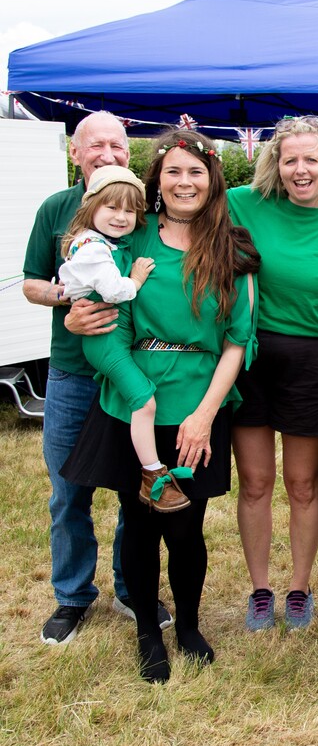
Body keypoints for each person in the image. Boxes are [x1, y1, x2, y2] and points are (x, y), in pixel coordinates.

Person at [61, 128, 259, 683]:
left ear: (212, 179)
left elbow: (238, 340)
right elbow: (100, 317)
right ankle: (148, 629)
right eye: (173, 171)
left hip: (196, 402)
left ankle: (190, 623)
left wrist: (204, 417)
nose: (184, 181)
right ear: (157, 181)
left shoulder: (233, 247)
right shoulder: (129, 238)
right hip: (134, 403)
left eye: (195, 171)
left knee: (187, 525)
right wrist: (131, 388)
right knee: (139, 523)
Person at [23, 110, 172, 645]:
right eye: (96, 146)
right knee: (69, 491)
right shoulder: (57, 210)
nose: (108, 154)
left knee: (134, 493)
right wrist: (69, 301)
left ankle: (133, 589)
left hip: (135, 369)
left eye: (118, 145)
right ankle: (72, 597)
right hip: (73, 373)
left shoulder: (145, 213)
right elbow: (32, 283)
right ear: (75, 153)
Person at [227, 116, 318, 631]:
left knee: (303, 482)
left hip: (316, 361)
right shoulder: (242, 204)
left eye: (311, 158)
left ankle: (299, 589)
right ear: (275, 163)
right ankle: (261, 589)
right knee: (256, 481)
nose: (300, 168)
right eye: (290, 159)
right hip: (249, 357)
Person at [58, 166, 188, 514]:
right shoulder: (95, 250)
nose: (122, 217)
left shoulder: (100, 242)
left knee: (141, 396)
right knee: (143, 402)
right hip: (106, 340)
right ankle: (152, 475)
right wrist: (137, 278)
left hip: (115, 337)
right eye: (112, 208)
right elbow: (115, 292)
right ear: (91, 209)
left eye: (130, 210)